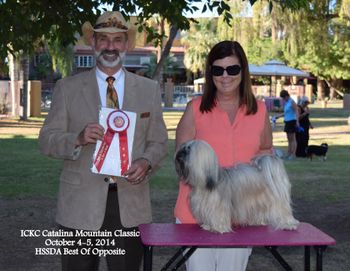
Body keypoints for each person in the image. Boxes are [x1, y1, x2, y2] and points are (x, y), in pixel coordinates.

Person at [38, 11, 168, 271]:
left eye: (117, 40)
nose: (110, 47)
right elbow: (46, 140)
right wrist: (76, 138)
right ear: (93, 43)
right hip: (79, 205)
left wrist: (146, 161)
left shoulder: (148, 90)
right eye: (103, 40)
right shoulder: (67, 88)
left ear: (126, 44)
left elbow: (159, 142)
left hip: (130, 206)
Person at [174, 40, 273, 271]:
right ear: (211, 74)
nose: (225, 75)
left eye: (233, 69)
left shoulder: (260, 110)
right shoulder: (195, 108)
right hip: (196, 217)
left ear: (243, 71)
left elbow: (266, 153)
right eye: (218, 69)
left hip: (241, 216)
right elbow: (181, 159)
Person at [278, 89, 300, 160]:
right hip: (287, 121)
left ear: (287, 96)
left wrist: (297, 121)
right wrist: (278, 116)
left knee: (292, 138)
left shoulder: (292, 102)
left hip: (292, 121)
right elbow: (286, 113)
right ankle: (289, 152)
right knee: (288, 139)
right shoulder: (287, 103)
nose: (283, 99)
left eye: (284, 97)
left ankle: (293, 154)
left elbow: (296, 111)